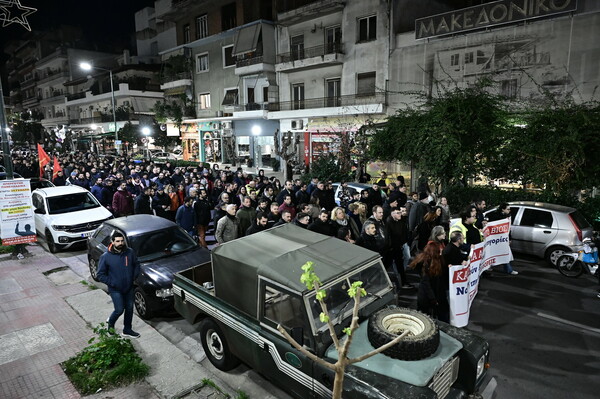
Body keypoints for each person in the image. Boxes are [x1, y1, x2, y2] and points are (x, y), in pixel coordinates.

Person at [96, 231, 141, 338]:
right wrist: (113, 283)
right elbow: (100, 275)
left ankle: (127, 329)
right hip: (115, 289)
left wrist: (133, 277)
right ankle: (110, 326)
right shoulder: (106, 257)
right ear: (112, 242)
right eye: (117, 241)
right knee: (119, 309)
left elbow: (136, 264)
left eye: (122, 241)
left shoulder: (129, 252)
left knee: (129, 308)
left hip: (128, 287)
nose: (120, 243)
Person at [410, 242, 449, 323]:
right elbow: (426, 284)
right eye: (439, 250)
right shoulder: (426, 264)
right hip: (429, 297)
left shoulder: (435, 261)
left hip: (431, 295)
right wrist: (433, 299)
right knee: (426, 320)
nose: (441, 250)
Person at [486, 202, 518, 275]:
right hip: (495, 239)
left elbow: (508, 229)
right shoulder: (495, 216)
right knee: (492, 253)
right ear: (503, 209)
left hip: (502, 239)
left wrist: (509, 238)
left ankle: (509, 269)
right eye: (508, 209)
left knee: (504, 253)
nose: (509, 211)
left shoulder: (508, 217)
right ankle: (488, 267)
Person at [385, 208, 413, 290]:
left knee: (399, 266)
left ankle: (402, 282)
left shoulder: (401, 221)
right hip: (392, 249)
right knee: (387, 265)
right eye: (398, 213)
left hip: (398, 247)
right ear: (392, 214)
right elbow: (390, 236)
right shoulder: (388, 223)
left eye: (400, 212)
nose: (400, 214)